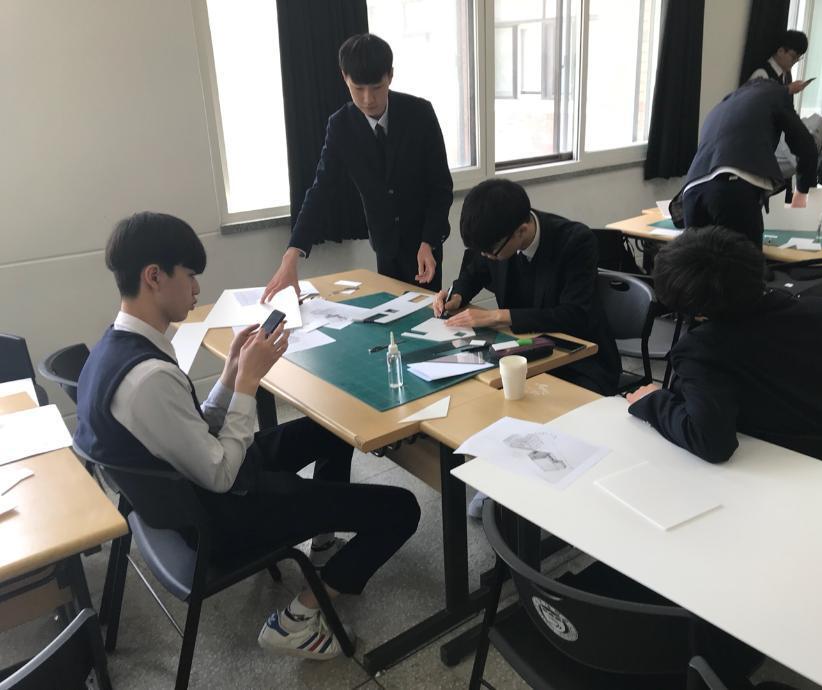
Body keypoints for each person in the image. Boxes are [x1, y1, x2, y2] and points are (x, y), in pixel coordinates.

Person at [75, 212, 420, 660]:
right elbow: (220, 472)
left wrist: (230, 373)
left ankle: (323, 539)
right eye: (190, 275)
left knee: (332, 428)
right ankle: (298, 618)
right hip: (223, 514)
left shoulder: (110, 350)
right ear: (154, 276)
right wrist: (247, 385)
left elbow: (187, 430)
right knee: (401, 508)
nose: (196, 289)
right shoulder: (148, 379)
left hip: (198, 488)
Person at [625, 226, 822, 473]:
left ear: (695, 311)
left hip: (774, 475)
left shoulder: (702, 349)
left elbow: (711, 443)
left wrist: (653, 401)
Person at [262, 33, 453, 301]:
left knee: (429, 311)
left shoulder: (420, 114)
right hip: (385, 244)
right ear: (344, 78)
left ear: (390, 75)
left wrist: (429, 241)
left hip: (424, 241)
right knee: (391, 312)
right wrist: (292, 254)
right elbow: (320, 191)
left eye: (376, 87)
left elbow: (441, 187)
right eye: (358, 88)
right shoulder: (341, 126)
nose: (367, 99)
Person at [434, 178, 622, 396]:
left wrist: (497, 316)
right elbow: (473, 273)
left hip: (579, 361)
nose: (486, 256)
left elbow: (573, 314)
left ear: (521, 231)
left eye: (490, 252)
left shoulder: (575, 242)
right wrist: (457, 295)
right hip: (522, 352)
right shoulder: (496, 237)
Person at [671, 79, 818, 245]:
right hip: (731, 187)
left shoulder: (725, 103)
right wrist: (802, 191)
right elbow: (806, 145)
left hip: (692, 190)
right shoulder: (776, 95)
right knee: (744, 260)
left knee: (697, 260)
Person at [747, 29, 811, 95]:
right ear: (780, 51)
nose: (795, 61)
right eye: (793, 57)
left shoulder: (787, 75)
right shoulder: (762, 73)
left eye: (798, 58)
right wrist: (788, 90)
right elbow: (751, 100)